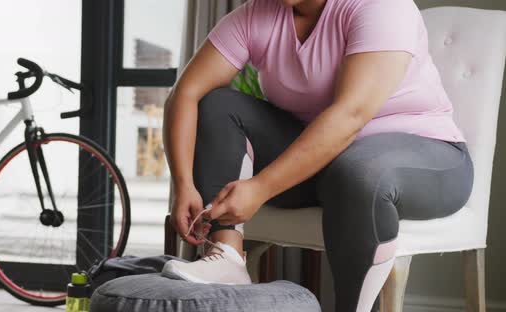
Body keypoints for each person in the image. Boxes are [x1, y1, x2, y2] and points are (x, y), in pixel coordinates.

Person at [161, 0, 474, 311]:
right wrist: (184, 184)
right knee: (217, 105)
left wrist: (261, 187)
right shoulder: (254, 16)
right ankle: (226, 258)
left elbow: (351, 114)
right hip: (324, 166)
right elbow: (186, 92)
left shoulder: (379, 6)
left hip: (428, 159)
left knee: (359, 172)